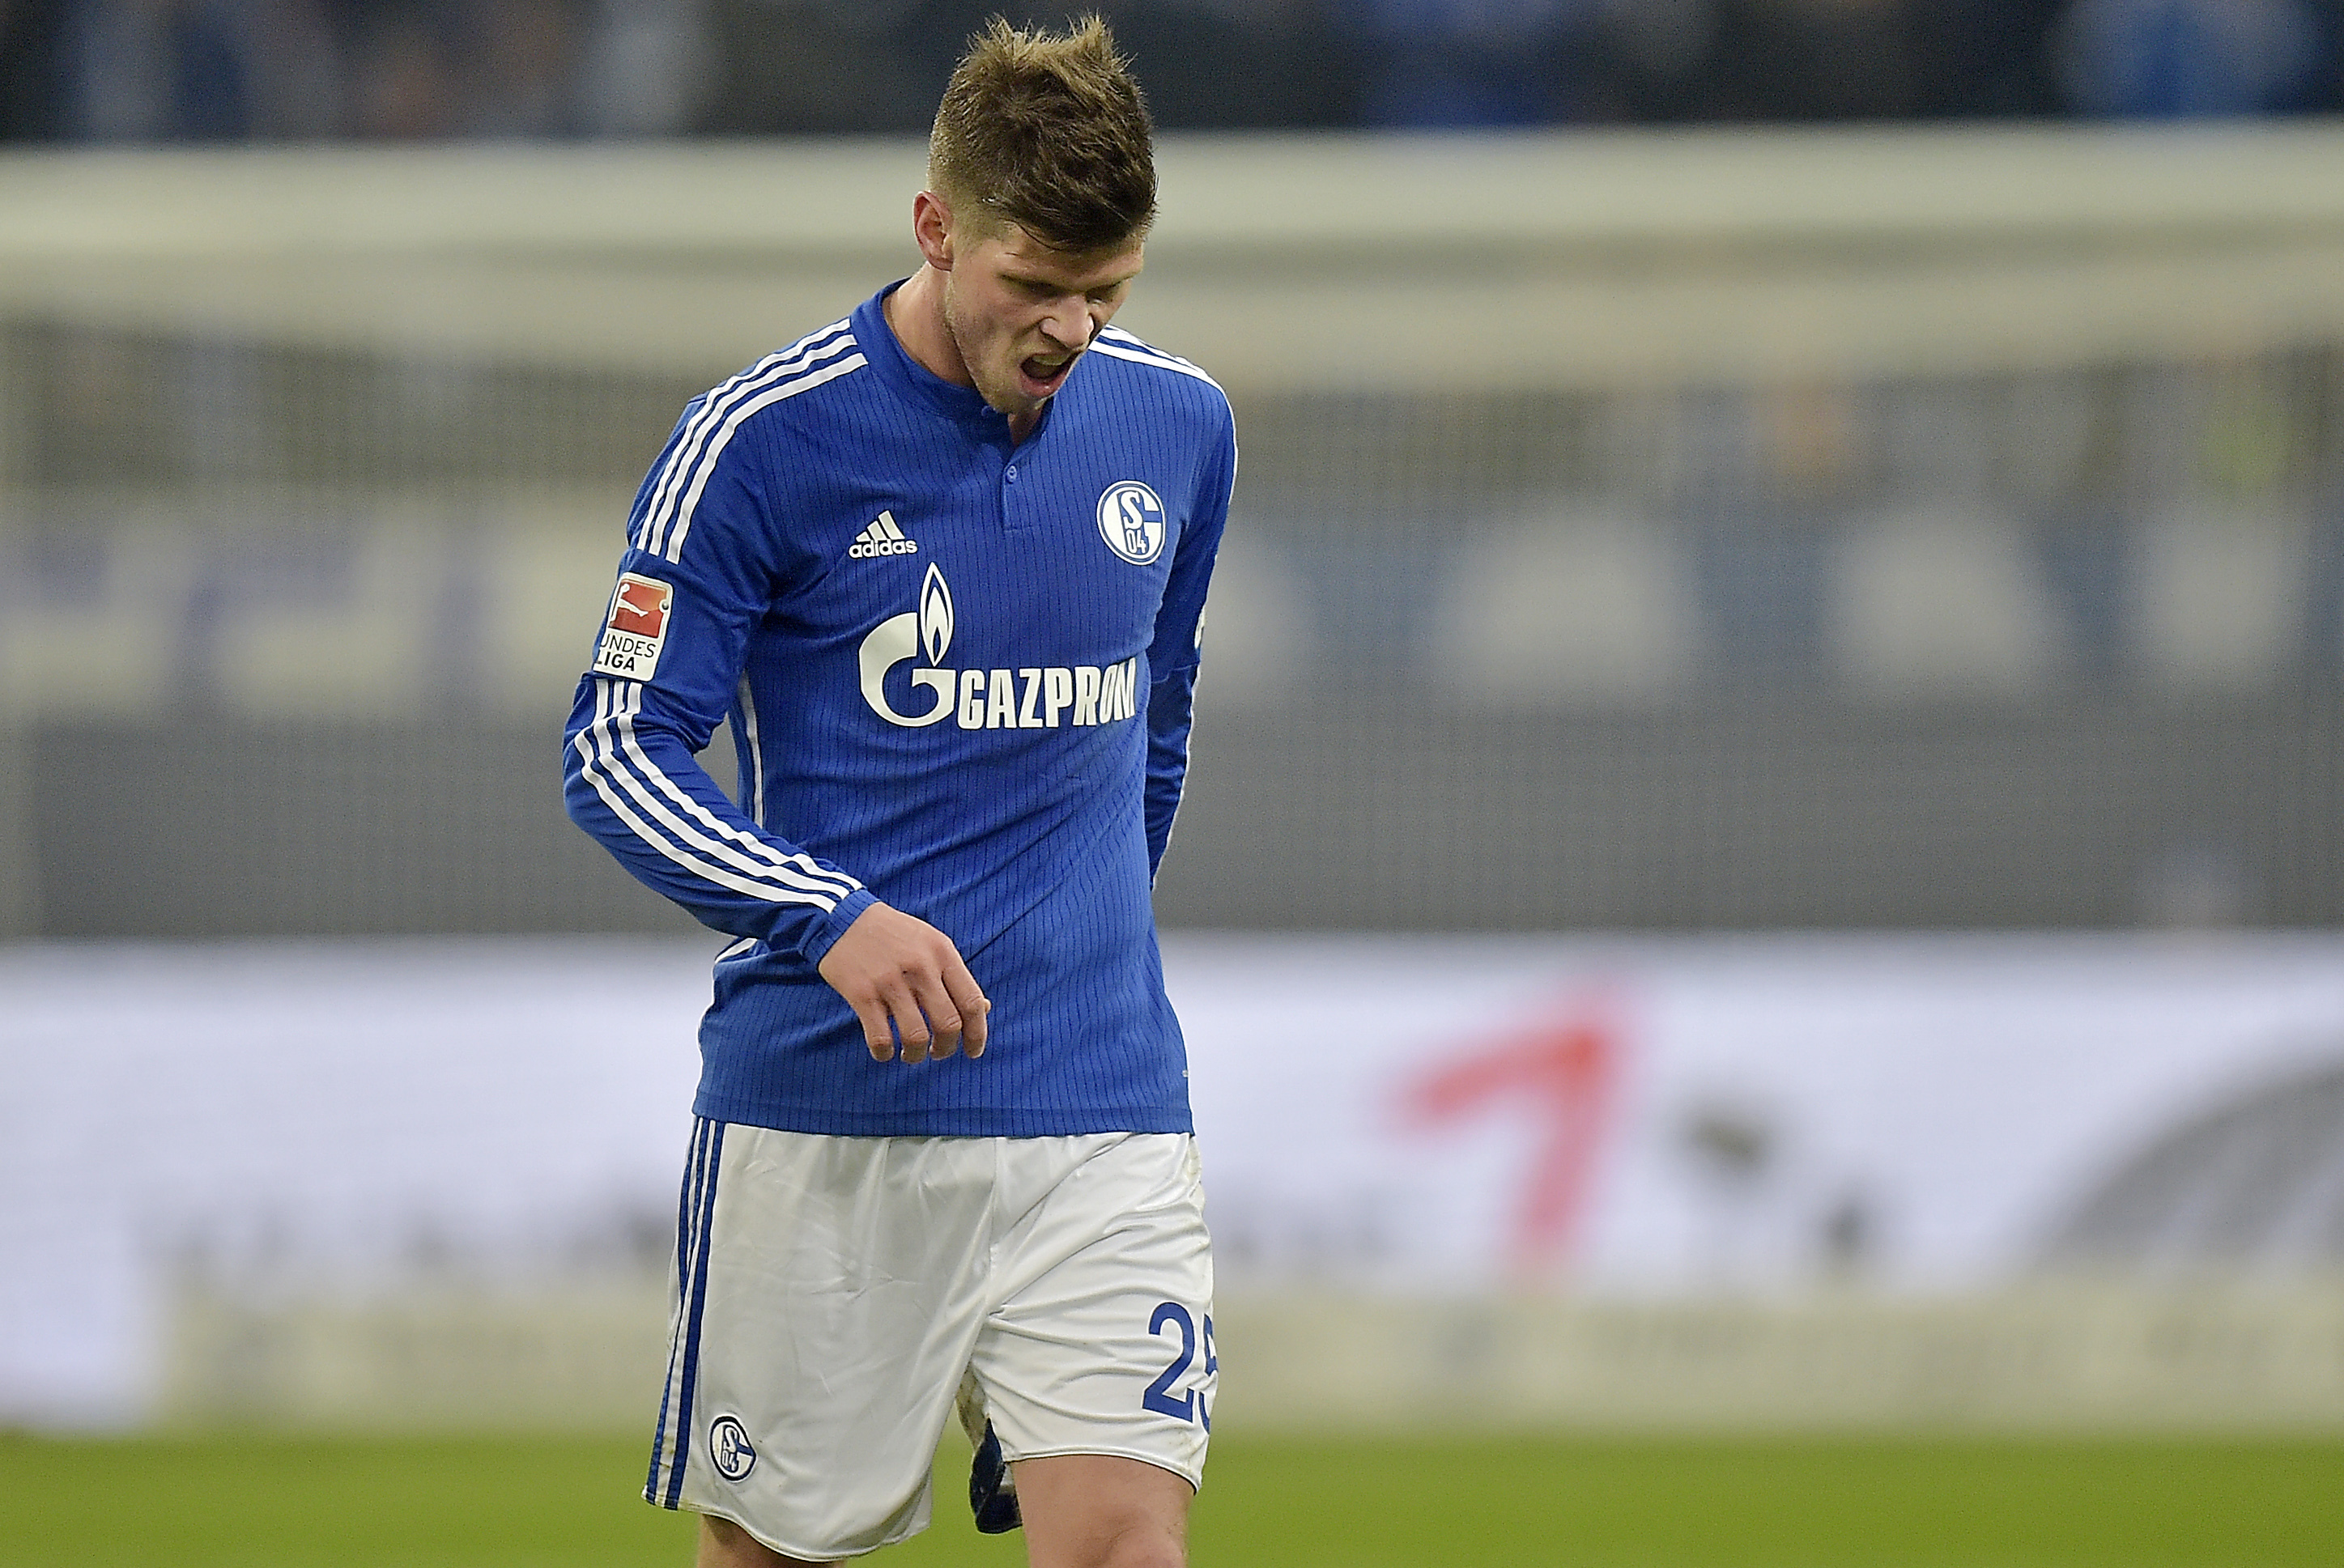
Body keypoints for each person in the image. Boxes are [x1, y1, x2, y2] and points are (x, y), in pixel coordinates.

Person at [561, 16, 1233, 1567]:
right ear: (936, 229)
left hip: (1098, 1106)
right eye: (1031, 284)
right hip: (831, 1111)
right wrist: (829, 913)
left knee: (1129, 1547)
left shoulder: (1180, 425)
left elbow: (1157, 726)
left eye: (1106, 288)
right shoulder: (762, 441)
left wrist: (1083, 952)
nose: (1069, 326)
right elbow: (616, 750)